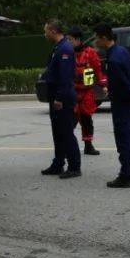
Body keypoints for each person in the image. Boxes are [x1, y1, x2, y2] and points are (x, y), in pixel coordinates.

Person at [93, 23, 130, 188]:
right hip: (129, 100)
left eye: (97, 38)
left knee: (123, 138)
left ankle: (125, 176)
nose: (96, 42)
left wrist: (122, 92)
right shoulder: (122, 51)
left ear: (104, 38)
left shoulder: (113, 59)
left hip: (122, 102)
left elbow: (122, 83)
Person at [39, 19, 81, 179]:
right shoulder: (59, 47)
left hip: (61, 98)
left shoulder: (65, 49)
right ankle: (58, 163)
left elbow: (65, 77)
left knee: (66, 133)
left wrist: (59, 98)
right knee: (58, 133)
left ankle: (74, 166)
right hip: (56, 96)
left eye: (46, 31)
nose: (45, 35)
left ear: (53, 31)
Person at [67, 27, 106, 156]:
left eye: (70, 39)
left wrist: (104, 85)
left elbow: (98, 71)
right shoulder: (66, 54)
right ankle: (67, 146)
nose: (68, 42)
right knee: (69, 122)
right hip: (72, 92)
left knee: (86, 120)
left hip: (86, 93)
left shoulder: (90, 53)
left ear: (78, 40)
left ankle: (88, 146)